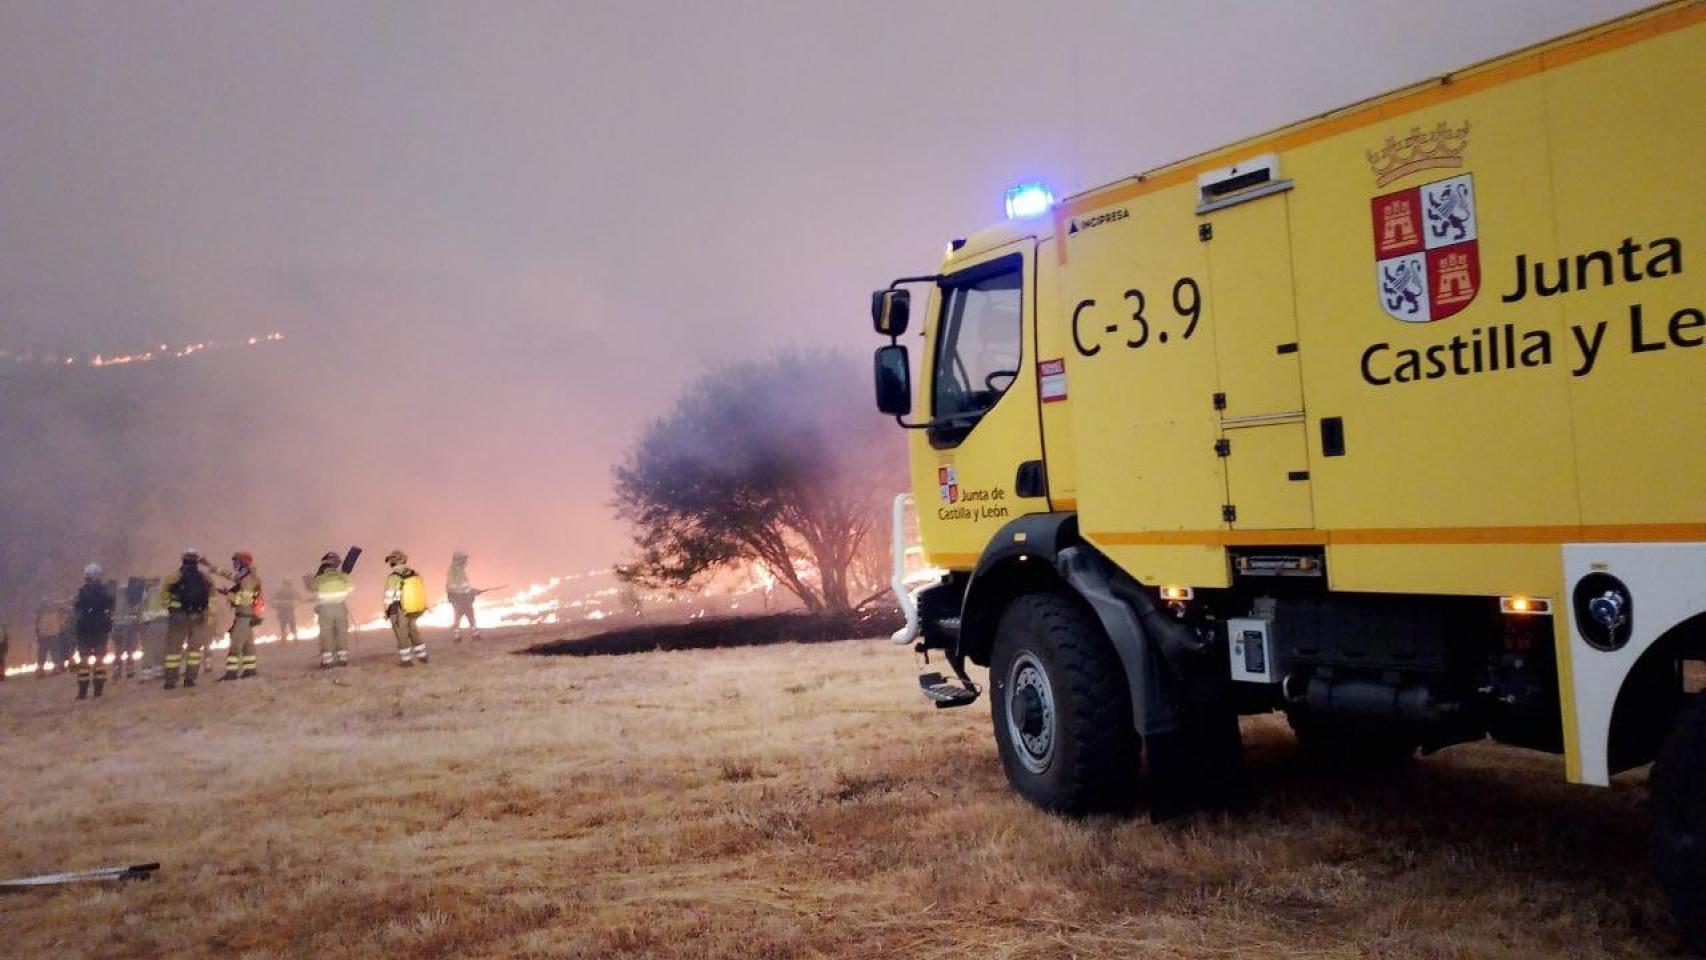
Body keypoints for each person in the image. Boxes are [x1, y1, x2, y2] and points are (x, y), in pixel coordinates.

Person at [160, 549, 215, 689]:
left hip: (178, 616)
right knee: (195, 650)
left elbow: (163, 593)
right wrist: (209, 613)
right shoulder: (204, 577)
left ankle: (170, 681)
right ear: (197, 560)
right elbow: (212, 595)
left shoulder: (173, 576)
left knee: (174, 649)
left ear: (183, 559)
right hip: (199, 616)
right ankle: (190, 679)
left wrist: (170, 607)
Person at [207, 551, 264, 680]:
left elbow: (243, 600)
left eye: (236, 562)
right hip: (246, 616)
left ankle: (231, 673)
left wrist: (227, 593)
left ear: (243, 563)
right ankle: (250, 670)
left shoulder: (248, 580)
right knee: (248, 645)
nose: (234, 565)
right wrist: (212, 567)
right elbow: (229, 575)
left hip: (244, 615)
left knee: (236, 645)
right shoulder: (245, 577)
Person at [71, 564, 116, 700]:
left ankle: (82, 692)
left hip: (84, 631)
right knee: (99, 661)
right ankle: (98, 690)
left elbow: (76, 609)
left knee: (84, 661)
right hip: (100, 630)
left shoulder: (81, 592)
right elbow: (110, 607)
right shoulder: (104, 592)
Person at [383, 550, 428, 667]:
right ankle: (423, 656)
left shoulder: (393, 577)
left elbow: (388, 597)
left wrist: (387, 611)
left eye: (390, 561)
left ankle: (406, 661)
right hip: (414, 609)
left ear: (393, 562)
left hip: (399, 610)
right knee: (414, 631)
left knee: (401, 634)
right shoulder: (414, 573)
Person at [308, 551, 353, 668]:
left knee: (326, 634)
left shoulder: (320, 579)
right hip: (340, 608)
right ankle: (343, 659)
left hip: (325, 609)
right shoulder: (343, 577)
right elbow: (351, 589)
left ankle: (327, 661)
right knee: (342, 633)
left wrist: (317, 575)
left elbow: (311, 588)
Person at [110, 577, 146, 680]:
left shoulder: (114, 596)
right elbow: (137, 611)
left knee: (118, 650)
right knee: (130, 649)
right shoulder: (133, 596)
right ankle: (130, 670)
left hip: (116, 626)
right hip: (129, 626)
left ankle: (117, 670)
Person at [446, 550, 484, 643]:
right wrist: (472, 591)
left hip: (457, 597)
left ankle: (457, 636)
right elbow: (460, 586)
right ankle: (474, 635)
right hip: (461, 597)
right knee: (470, 615)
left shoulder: (454, 570)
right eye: (464, 559)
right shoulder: (458, 571)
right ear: (459, 560)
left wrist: (471, 591)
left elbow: (454, 586)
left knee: (458, 616)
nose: (465, 561)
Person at [34, 596, 67, 678]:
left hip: (44, 633)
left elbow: (37, 622)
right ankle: (56, 667)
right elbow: (61, 620)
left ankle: (41, 669)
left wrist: (37, 631)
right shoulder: (56, 610)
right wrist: (61, 627)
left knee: (42, 652)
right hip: (54, 632)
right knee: (55, 651)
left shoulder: (40, 612)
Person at [273, 578, 300, 644]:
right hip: (289, 610)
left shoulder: (279, 591)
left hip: (282, 610)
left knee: (283, 626)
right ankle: (295, 638)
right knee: (292, 624)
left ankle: (284, 640)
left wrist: (277, 606)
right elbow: (300, 598)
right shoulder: (292, 590)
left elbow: (274, 599)